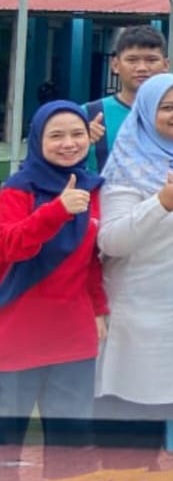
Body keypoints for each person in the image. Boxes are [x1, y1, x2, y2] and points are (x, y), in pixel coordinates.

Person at [97, 73, 173, 445]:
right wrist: (159, 205)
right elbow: (112, 241)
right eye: (167, 108)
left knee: (166, 408)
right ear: (147, 113)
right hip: (138, 313)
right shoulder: (128, 164)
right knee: (128, 418)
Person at [0, 102, 106, 454]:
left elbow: (91, 260)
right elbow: (12, 246)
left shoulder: (93, 189)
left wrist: (98, 309)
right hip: (16, 335)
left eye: (77, 134)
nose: (68, 143)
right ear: (36, 140)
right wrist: (56, 211)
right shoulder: (16, 190)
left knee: (72, 448)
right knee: (6, 449)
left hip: (73, 337)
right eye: (56, 135)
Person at [85, 25, 169, 169]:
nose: (142, 68)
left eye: (151, 60)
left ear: (166, 65)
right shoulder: (89, 114)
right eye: (132, 60)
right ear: (115, 65)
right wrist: (80, 140)